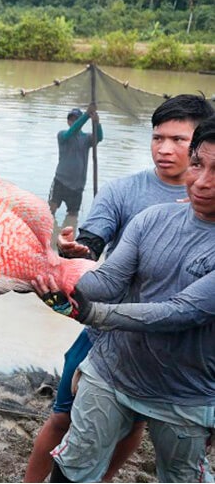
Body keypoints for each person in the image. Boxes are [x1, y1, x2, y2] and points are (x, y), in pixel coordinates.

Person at [23, 94, 215, 483]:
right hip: (112, 366)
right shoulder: (150, 215)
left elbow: (180, 311)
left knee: (181, 474)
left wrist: (88, 311)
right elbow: (107, 279)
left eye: (178, 141)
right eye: (199, 164)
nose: (203, 182)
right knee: (71, 454)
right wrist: (52, 274)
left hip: (185, 389)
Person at [48, 104, 103, 227]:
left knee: (72, 218)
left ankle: (67, 241)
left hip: (77, 185)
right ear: (68, 121)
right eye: (71, 119)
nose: (73, 121)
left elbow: (99, 138)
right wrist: (86, 116)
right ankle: (49, 237)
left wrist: (97, 123)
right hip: (61, 181)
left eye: (75, 119)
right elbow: (71, 132)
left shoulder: (87, 138)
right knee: (51, 210)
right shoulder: (62, 135)